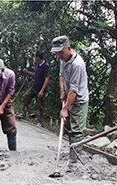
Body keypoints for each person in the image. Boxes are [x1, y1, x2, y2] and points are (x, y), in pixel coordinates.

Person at [50, 35, 89, 163]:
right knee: (66, 127)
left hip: (78, 100)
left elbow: (74, 90)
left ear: (69, 48)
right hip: (69, 96)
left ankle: (75, 159)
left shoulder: (77, 64)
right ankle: (71, 153)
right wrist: (62, 91)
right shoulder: (63, 59)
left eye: (61, 52)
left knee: (76, 130)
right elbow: (61, 76)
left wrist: (65, 108)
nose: (59, 55)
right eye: (57, 53)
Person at [21, 50, 50, 127]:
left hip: (40, 89)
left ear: (38, 57)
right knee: (25, 97)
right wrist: (27, 72)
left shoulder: (45, 66)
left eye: (35, 56)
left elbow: (47, 79)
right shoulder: (37, 64)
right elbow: (35, 74)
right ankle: (23, 113)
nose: (34, 58)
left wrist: (42, 91)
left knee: (40, 105)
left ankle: (40, 121)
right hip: (34, 86)